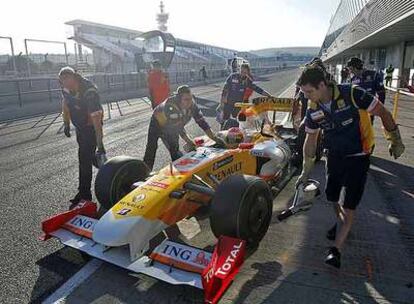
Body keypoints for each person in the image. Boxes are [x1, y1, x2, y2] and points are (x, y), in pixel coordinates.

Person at [295, 66, 405, 269]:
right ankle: (341, 224)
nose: (308, 97)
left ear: (322, 85)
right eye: (304, 93)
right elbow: (310, 140)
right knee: (331, 196)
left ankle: (335, 250)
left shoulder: (352, 94)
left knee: (350, 205)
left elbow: (383, 112)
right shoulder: (314, 109)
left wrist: (394, 138)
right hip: (335, 156)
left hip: (358, 155)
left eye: (309, 92)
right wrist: (305, 169)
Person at [143, 85, 223, 171]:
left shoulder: (192, 105)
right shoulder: (170, 107)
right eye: (186, 100)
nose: (189, 102)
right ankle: (145, 172)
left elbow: (202, 123)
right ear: (179, 99)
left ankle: (179, 171)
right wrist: (189, 142)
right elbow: (178, 130)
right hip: (157, 123)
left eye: (190, 98)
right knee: (153, 146)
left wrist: (214, 138)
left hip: (173, 125)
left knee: (174, 148)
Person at [59, 67, 106, 206]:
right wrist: (66, 124)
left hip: (91, 127)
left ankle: (85, 194)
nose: (64, 84)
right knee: (93, 159)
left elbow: (97, 120)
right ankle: (110, 170)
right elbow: (65, 105)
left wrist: (100, 144)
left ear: (73, 77)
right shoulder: (67, 89)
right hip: (80, 128)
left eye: (66, 80)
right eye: (62, 81)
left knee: (84, 159)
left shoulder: (89, 92)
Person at [219, 63, 271, 129]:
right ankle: (221, 133)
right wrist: (222, 102)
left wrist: (269, 96)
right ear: (239, 69)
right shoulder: (232, 76)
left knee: (238, 122)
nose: (242, 73)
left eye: (245, 72)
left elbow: (258, 89)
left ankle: (235, 135)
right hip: (228, 103)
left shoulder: (247, 81)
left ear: (248, 72)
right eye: (241, 71)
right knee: (224, 120)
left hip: (238, 105)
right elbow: (225, 90)